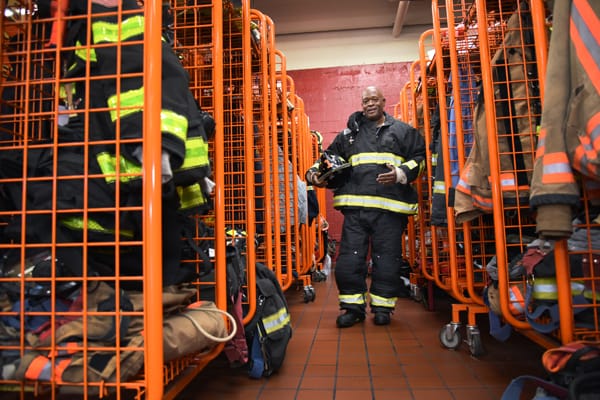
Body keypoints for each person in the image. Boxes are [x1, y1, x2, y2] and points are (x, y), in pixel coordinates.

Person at [305, 86, 425, 327]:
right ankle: (352, 308)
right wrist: (313, 175)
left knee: (387, 260)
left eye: (374, 99)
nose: (369, 104)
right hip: (356, 210)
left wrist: (401, 173)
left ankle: (383, 308)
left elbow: (420, 159)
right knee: (349, 260)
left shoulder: (403, 132)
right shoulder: (348, 135)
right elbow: (326, 160)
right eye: (365, 100)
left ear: (383, 101)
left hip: (390, 211)